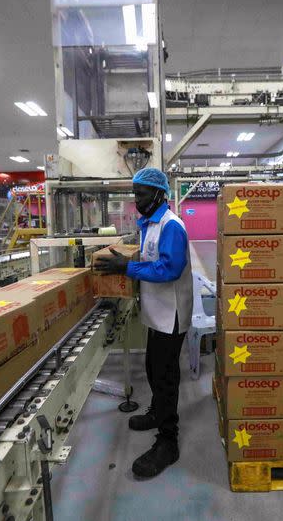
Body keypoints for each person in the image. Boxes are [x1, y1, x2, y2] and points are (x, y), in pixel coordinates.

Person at [93, 167, 193, 479]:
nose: (137, 200)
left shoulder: (171, 225)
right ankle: (156, 412)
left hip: (171, 313)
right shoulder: (149, 223)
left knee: (165, 377)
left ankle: (168, 441)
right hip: (156, 311)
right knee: (152, 367)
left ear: (160, 194)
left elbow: (169, 270)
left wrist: (128, 268)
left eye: (142, 194)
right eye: (135, 194)